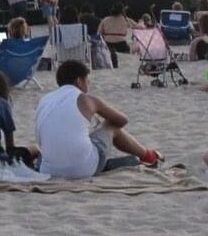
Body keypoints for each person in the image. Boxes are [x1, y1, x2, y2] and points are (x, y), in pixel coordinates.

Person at [35, 60, 163, 178]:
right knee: (110, 127)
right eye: (87, 80)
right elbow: (122, 121)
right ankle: (148, 156)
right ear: (79, 81)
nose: (89, 83)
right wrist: (98, 117)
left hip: (48, 170)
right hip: (83, 169)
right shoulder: (86, 99)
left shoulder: (45, 100)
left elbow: (40, 139)